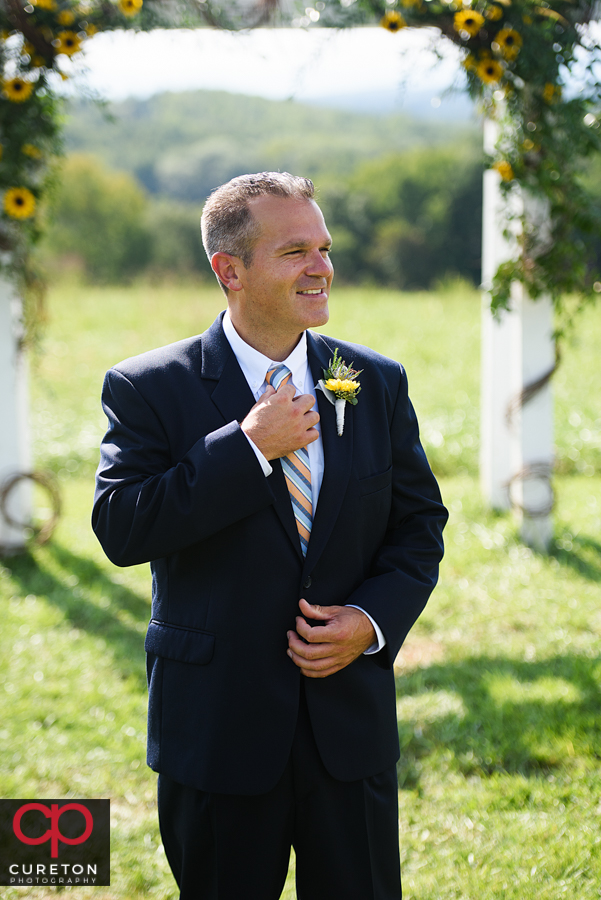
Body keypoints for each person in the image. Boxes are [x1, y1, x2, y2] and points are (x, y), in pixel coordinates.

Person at [92, 172, 448, 900]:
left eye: (322, 247)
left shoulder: (371, 381)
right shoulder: (148, 387)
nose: (321, 267)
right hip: (218, 731)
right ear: (230, 270)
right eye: (294, 251)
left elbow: (417, 526)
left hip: (347, 730)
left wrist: (371, 621)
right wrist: (248, 448)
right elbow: (123, 527)